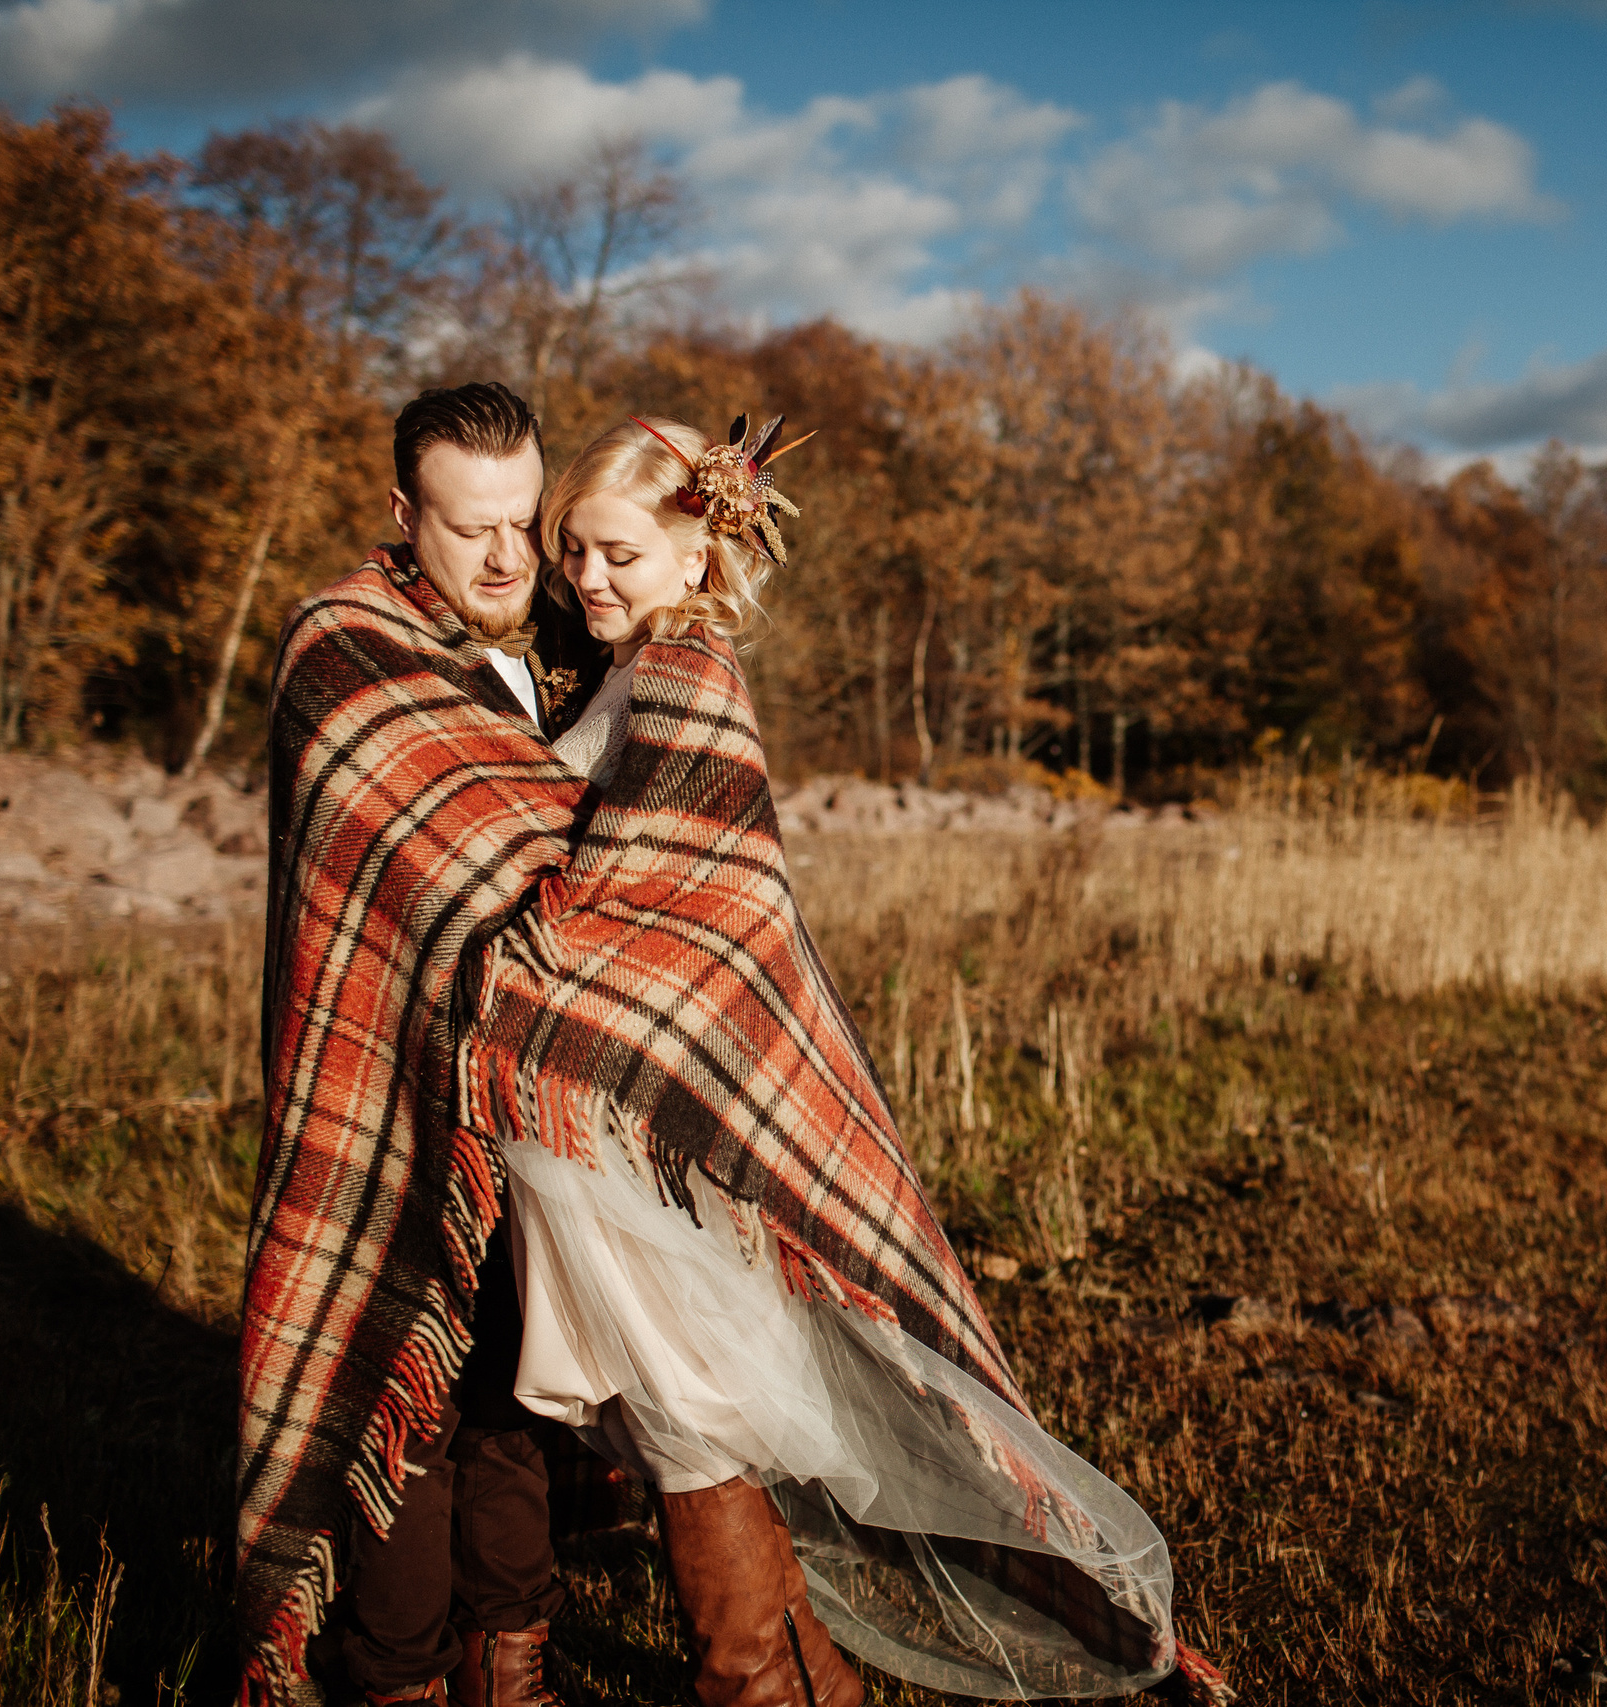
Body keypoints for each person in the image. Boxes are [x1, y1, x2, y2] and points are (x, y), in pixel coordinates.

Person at [463, 414, 1230, 1706]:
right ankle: (794, 1684)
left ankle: (759, 1682)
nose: (585, 579)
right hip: (610, 1115)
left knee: (690, 1404)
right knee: (690, 1404)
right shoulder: (628, 668)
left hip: (615, 1114)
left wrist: (515, 986)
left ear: (702, 550)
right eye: (571, 553)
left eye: (617, 555)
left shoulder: (686, 675)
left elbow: (672, 909)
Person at [239, 381, 607, 1707]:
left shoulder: (577, 638)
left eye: (524, 521)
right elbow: (438, 868)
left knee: (523, 1383)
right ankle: (389, 1681)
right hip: (395, 1090)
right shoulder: (344, 642)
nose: (507, 557)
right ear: (405, 515)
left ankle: (510, 1670)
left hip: (544, 1093)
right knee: (409, 1400)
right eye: (470, 529)